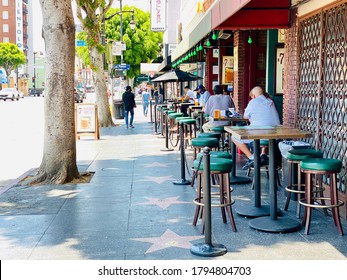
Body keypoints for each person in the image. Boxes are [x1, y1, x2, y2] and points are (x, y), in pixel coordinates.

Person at [232, 86, 281, 169]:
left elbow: (245, 116)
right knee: (265, 132)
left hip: (260, 135)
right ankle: (263, 154)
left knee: (234, 137)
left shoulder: (253, 102)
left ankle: (252, 157)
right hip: (275, 135)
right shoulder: (270, 101)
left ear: (253, 96)